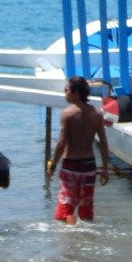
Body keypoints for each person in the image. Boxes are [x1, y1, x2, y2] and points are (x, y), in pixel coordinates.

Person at [47, 76, 110, 224]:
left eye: (67, 90)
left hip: (71, 166)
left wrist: (53, 164)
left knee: (64, 213)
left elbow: (61, 143)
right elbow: (103, 143)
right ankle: (85, 238)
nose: (64, 92)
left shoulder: (68, 114)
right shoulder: (96, 114)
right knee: (86, 210)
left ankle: (71, 240)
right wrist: (105, 169)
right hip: (89, 166)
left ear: (76, 93)